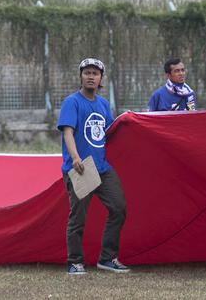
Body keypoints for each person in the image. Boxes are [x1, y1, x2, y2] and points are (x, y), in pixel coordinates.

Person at [58, 57, 129, 275]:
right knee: (78, 217)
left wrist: (129, 122)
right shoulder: (72, 102)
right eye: (87, 72)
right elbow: (67, 131)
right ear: (81, 76)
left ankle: (107, 258)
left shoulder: (104, 104)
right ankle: (74, 261)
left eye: (95, 73)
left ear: (100, 79)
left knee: (119, 208)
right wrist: (76, 158)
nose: (91, 76)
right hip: (81, 168)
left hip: (102, 168)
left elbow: (109, 132)